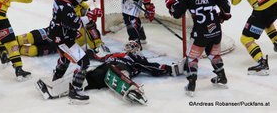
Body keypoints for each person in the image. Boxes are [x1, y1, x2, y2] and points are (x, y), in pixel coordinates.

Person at [36, 41, 184, 105]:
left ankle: (132, 90)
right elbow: (98, 57)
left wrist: (171, 69)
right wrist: (88, 53)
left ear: (137, 49)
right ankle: (52, 90)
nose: (129, 47)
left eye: (132, 46)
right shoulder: (113, 55)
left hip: (120, 70)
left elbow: (153, 68)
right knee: (85, 78)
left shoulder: (135, 58)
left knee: (115, 71)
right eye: (128, 45)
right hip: (103, 70)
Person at [165, 0, 231, 97]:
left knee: (192, 57)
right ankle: (222, 77)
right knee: (214, 54)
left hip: (200, 32)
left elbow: (176, 14)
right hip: (216, 29)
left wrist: (170, 4)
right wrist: (222, 16)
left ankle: (191, 85)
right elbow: (227, 8)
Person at [46, 0, 103, 104]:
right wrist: (91, 15)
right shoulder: (64, 8)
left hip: (59, 36)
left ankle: (56, 79)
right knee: (84, 62)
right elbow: (76, 24)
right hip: (64, 40)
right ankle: (76, 91)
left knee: (65, 59)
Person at [231, 0, 277, 76]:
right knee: (268, 23)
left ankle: (261, 62)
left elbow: (234, 1)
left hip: (262, 11)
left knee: (246, 38)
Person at [16, 2, 110, 57]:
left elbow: (101, 50)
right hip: (53, 32)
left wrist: (92, 52)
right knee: (30, 37)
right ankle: (7, 43)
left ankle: (11, 50)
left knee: (33, 51)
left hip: (60, 45)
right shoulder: (77, 9)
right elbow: (74, 0)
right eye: (86, 13)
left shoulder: (93, 31)